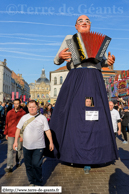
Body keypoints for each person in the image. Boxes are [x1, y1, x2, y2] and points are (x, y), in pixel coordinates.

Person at [50, 15, 118, 174]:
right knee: (74, 115)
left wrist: (108, 62)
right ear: (75, 26)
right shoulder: (69, 38)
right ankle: (71, 153)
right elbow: (56, 60)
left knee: (94, 114)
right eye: (80, 21)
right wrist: (60, 56)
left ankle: (91, 157)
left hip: (94, 79)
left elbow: (100, 62)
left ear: (90, 25)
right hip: (76, 77)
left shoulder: (100, 42)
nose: (84, 22)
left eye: (87, 21)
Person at [13, 100, 54, 186]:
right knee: (28, 165)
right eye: (30, 107)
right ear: (27, 108)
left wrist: (51, 142)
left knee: (36, 164)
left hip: (39, 146)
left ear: (37, 107)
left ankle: (38, 182)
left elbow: (47, 130)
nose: (32, 109)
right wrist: (15, 141)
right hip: (26, 146)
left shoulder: (42, 118)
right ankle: (31, 181)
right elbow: (18, 129)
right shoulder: (24, 118)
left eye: (33, 107)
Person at [4, 99, 26, 172]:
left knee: (18, 149)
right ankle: (9, 166)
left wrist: (23, 135)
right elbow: (6, 123)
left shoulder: (23, 113)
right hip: (10, 133)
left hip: (19, 134)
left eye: (17, 103)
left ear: (20, 104)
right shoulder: (9, 112)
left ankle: (18, 161)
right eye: (15, 104)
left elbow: (25, 125)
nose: (16, 105)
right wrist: (6, 133)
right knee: (10, 149)